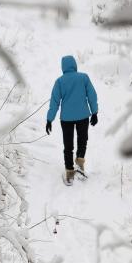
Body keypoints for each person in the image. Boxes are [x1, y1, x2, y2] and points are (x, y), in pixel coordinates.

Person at [46, 55, 98, 184]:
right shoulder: (83, 77)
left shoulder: (60, 82)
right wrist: (94, 112)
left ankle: (69, 172)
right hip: (83, 117)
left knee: (68, 145)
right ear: (75, 65)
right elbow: (92, 95)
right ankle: (80, 163)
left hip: (66, 119)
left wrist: (49, 119)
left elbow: (54, 102)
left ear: (63, 67)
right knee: (82, 140)